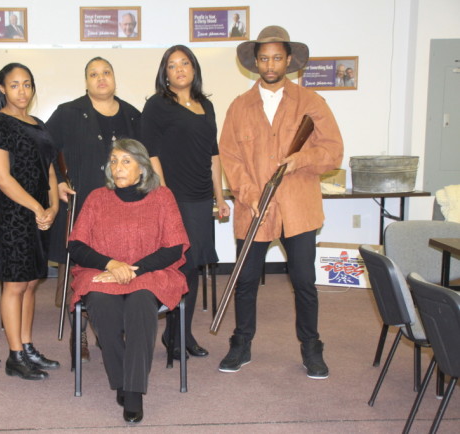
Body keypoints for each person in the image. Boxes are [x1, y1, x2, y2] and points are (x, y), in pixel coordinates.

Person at [218, 25, 344, 379]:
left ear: (288, 60)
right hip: (253, 208)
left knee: (304, 281)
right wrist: (249, 193)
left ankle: (311, 347)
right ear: (255, 62)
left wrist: (299, 159)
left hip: (298, 209)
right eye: (263, 58)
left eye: (276, 57)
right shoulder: (239, 106)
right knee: (245, 282)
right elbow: (230, 157)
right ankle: (241, 344)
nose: (270, 64)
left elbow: (333, 151)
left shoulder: (311, 102)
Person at [46, 57, 163, 362]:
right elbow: (43, 149)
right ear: (86, 82)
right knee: (81, 272)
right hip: (84, 206)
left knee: (120, 270)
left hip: (126, 213)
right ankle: (80, 335)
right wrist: (57, 180)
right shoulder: (68, 113)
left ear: (114, 78)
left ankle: (113, 332)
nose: (101, 79)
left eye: (106, 73)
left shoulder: (132, 116)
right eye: (94, 74)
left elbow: (147, 160)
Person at [68, 139, 189, 423]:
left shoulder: (162, 197)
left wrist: (134, 269)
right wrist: (111, 264)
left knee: (139, 304)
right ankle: (122, 379)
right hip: (103, 272)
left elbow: (174, 247)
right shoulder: (97, 197)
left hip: (149, 273)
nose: (117, 167)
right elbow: (76, 245)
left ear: (142, 168)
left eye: (126, 161)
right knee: (100, 302)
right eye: (113, 161)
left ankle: (132, 391)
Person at [142, 45, 230, 360]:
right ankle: (174, 335)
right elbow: (150, 153)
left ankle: (180, 333)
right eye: (172, 65)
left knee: (192, 267)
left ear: (194, 68)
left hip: (201, 196)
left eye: (185, 63)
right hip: (172, 196)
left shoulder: (206, 105)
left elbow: (214, 154)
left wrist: (220, 198)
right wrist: (164, 195)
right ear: (164, 73)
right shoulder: (156, 105)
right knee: (177, 265)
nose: (179, 69)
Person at [0, 63, 60, 381]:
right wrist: (35, 207)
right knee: (14, 285)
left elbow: (51, 170)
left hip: (40, 216)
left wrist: (53, 206)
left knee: (30, 284)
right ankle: (14, 355)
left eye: (27, 84)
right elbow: (1, 178)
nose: (22, 91)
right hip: (13, 216)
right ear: (2, 89)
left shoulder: (38, 124)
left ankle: (27, 347)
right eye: (14, 85)